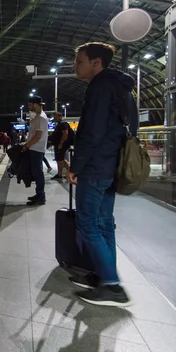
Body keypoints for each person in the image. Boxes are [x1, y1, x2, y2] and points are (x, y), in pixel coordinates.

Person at [67, 42, 138, 307]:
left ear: (96, 63)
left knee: (87, 224)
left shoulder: (98, 87)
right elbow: (133, 125)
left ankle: (111, 283)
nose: (76, 66)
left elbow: (92, 133)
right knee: (105, 222)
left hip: (96, 167)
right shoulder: (121, 88)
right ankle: (103, 275)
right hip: (110, 165)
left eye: (79, 61)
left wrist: (76, 167)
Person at [23, 95, 48, 206]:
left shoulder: (41, 118)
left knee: (38, 173)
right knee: (37, 172)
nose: (28, 107)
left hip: (36, 149)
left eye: (30, 104)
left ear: (35, 104)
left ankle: (41, 196)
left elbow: (38, 136)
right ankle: (39, 194)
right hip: (35, 149)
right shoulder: (38, 117)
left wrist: (27, 146)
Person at [50, 112, 73, 179]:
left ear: (59, 116)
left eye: (55, 116)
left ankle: (71, 172)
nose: (54, 118)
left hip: (62, 145)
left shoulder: (63, 124)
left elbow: (65, 133)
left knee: (61, 159)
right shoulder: (59, 124)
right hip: (59, 145)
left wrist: (61, 143)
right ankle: (59, 174)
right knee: (59, 159)